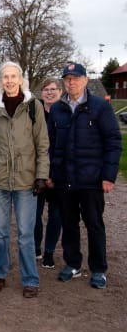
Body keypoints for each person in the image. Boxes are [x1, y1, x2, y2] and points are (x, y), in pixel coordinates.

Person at [47, 62, 122, 289]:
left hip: (91, 179)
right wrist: (50, 173)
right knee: (69, 224)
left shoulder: (99, 107)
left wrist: (108, 176)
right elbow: (49, 145)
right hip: (64, 180)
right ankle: (73, 264)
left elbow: (113, 142)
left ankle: (99, 269)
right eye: (67, 79)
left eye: (75, 78)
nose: (71, 82)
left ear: (85, 80)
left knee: (94, 225)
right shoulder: (58, 109)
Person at [0, 61, 49, 298]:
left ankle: (30, 279)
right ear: (1, 80)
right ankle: (0, 273)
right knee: (0, 232)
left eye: (13, 76)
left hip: (25, 180)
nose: (9, 81)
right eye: (4, 77)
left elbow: (42, 144)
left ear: (21, 79)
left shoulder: (33, 106)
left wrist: (41, 175)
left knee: (26, 234)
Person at [34, 77, 63, 268]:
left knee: (56, 215)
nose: (49, 92)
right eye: (46, 89)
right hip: (36, 173)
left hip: (58, 174)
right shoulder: (35, 113)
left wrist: (54, 174)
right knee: (33, 214)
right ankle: (35, 247)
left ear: (60, 91)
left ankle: (50, 252)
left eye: (53, 89)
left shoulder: (66, 114)